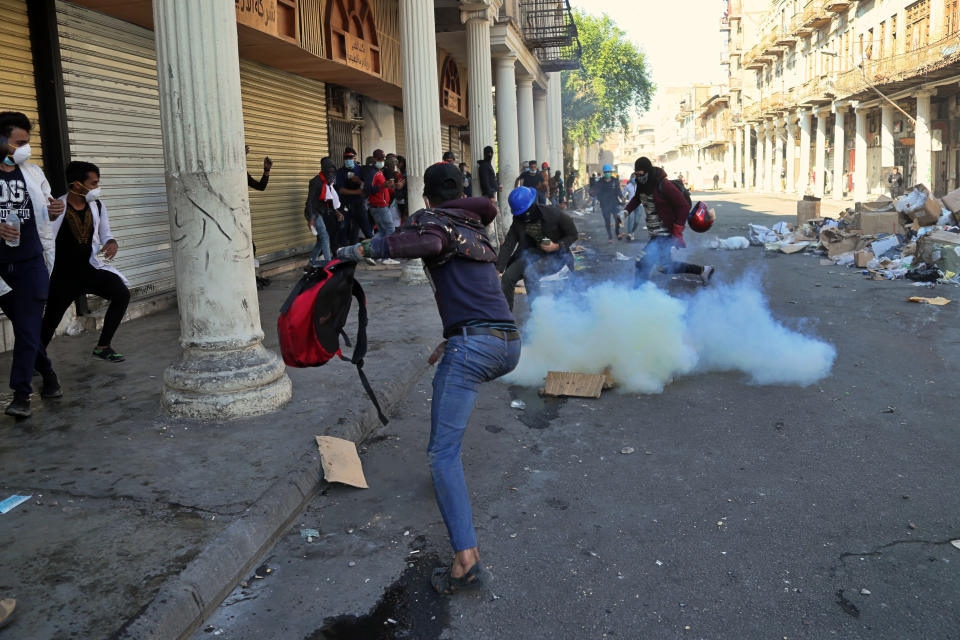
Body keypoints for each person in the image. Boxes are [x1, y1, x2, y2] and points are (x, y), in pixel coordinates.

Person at [337, 162, 519, 596]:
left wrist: (359, 251)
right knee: (446, 444)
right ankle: (447, 490)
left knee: (441, 453)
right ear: (462, 190)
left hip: (475, 346)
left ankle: (466, 561)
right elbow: (472, 289)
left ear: (425, 197)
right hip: (507, 341)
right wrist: (451, 338)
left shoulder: (436, 224)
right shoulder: (475, 227)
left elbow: (425, 242)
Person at [0, 112, 65, 417]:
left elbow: (48, 212)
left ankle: (21, 396)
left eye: (27, 142)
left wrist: (55, 209)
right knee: (27, 330)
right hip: (2, 266)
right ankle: (49, 375)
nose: (25, 148)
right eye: (19, 142)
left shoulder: (34, 172)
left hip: (31, 261)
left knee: (26, 327)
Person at [41, 161, 131, 363]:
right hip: (63, 276)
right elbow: (44, 237)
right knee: (50, 322)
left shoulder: (97, 206)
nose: (96, 188)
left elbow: (107, 233)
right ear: (76, 184)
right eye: (93, 183)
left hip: (90, 270)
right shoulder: (57, 207)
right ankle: (36, 359)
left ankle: (103, 346)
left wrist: (112, 242)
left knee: (121, 294)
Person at [625, 157, 713, 286]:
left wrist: (677, 232)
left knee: (641, 261)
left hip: (664, 233)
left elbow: (683, 206)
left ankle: (638, 293)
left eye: (641, 174)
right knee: (665, 267)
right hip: (654, 233)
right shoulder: (642, 184)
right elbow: (637, 198)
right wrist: (626, 211)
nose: (638, 177)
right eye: (636, 174)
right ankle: (704, 271)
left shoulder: (664, 184)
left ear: (648, 171)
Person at [497, 186, 579, 311]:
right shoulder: (518, 220)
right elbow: (509, 243)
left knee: (530, 274)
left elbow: (573, 234)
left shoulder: (553, 213)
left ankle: (537, 316)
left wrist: (556, 246)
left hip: (556, 255)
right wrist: (498, 268)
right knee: (507, 277)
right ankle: (506, 320)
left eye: (524, 212)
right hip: (530, 253)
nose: (523, 216)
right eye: (519, 213)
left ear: (532, 204)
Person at [334, 148, 375, 257]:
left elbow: (366, 186)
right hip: (345, 205)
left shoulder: (360, 170)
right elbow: (341, 190)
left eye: (350, 157)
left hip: (359, 205)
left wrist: (359, 181)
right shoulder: (340, 172)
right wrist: (357, 191)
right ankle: (343, 255)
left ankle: (374, 251)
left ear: (355, 158)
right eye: (346, 158)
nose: (348, 160)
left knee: (366, 229)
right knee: (343, 230)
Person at [245, 145, 273, 287]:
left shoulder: (243, 173)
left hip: (241, 215)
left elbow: (261, 186)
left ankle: (253, 277)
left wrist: (266, 170)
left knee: (251, 247)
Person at [305, 157, 342, 265]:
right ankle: (328, 264)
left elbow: (329, 201)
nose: (331, 173)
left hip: (320, 212)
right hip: (313, 212)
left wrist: (336, 212)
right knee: (325, 236)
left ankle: (311, 263)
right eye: (329, 171)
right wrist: (310, 218)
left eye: (333, 171)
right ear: (324, 170)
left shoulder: (328, 182)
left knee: (321, 239)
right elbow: (309, 201)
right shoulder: (316, 182)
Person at [366, 149, 399, 265]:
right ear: (374, 159)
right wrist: (383, 185)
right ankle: (385, 257)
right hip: (379, 206)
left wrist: (390, 186)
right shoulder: (373, 173)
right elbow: (368, 190)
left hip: (380, 206)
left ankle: (370, 252)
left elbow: (383, 188)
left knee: (382, 232)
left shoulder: (379, 172)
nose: (382, 161)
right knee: (390, 229)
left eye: (383, 159)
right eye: (379, 159)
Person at [594, 164, 624, 243]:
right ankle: (610, 236)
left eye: (609, 172)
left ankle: (617, 232)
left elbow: (619, 191)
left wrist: (622, 198)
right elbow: (596, 192)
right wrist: (593, 193)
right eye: (606, 172)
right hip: (605, 205)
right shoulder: (600, 182)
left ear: (611, 172)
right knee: (607, 221)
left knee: (618, 219)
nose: (607, 173)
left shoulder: (615, 181)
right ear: (604, 173)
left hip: (615, 204)